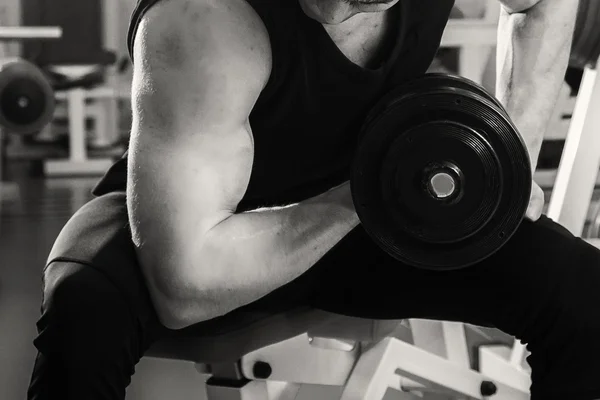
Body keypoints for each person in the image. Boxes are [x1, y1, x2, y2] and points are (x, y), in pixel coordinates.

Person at [27, 0, 598, 399]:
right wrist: (368, 192)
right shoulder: (199, 19)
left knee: (580, 289)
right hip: (201, 222)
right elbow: (185, 286)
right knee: (85, 311)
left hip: (369, 210)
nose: (334, 7)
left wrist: (507, 152)